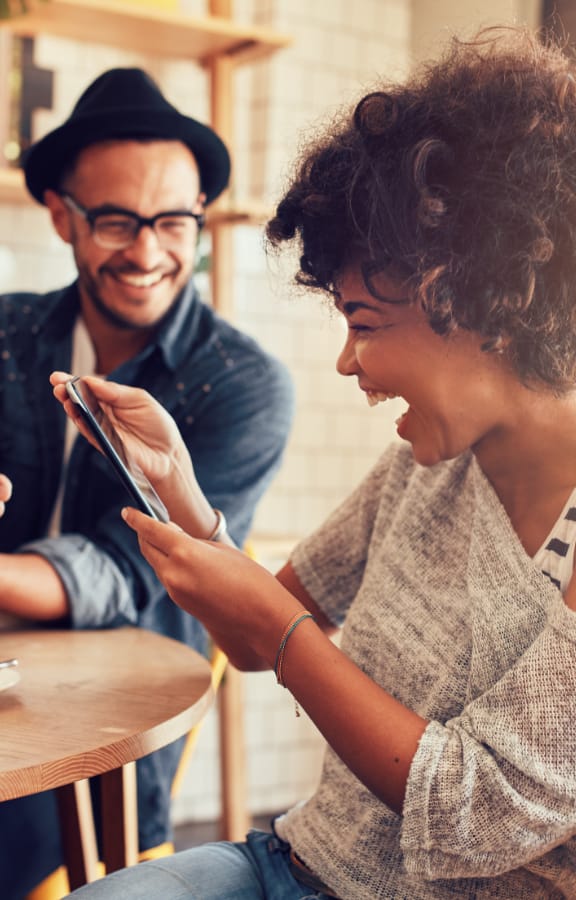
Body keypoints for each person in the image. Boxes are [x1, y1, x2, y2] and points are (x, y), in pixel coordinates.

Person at [57, 25, 576, 900]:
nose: (346, 361)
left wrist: (283, 631)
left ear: (478, 302)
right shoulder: (425, 465)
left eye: (364, 323)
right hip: (292, 866)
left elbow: (479, 812)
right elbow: (253, 638)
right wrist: (179, 487)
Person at [0, 68, 293, 898]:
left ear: (199, 216)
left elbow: (128, 571)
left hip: (114, 725)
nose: (148, 251)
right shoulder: (7, 332)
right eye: (115, 221)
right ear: (61, 214)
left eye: (172, 222)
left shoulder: (242, 384)